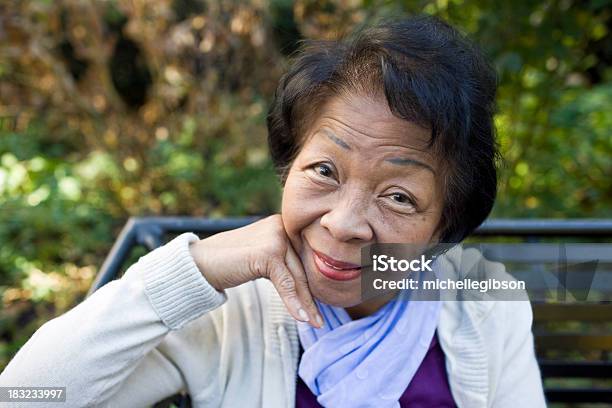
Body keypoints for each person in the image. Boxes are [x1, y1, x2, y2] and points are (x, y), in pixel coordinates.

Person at [0, 15, 546, 407]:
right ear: (289, 166)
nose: (343, 222)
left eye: (399, 197)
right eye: (325, 172)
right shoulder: (225, 310)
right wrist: (193, 269)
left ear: (443, 226)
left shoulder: (485, 307)